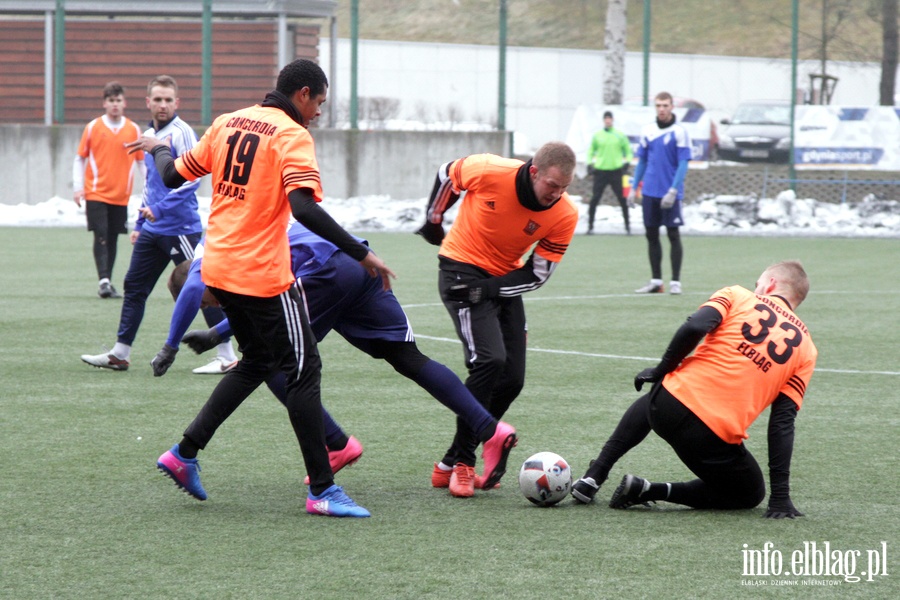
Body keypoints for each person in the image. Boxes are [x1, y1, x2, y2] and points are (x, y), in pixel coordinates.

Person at [129, 59, 395, 518]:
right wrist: (360, 252)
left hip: (219, 269)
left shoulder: (227, 122)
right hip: (262, 275)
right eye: (319, 104)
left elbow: (173, 175)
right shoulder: (292, 136)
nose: (318, 114)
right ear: (304, 94)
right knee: (304, 370)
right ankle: (323, 491)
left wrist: (157, 148)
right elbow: (304, 209)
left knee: (258, 362)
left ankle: (183, 453)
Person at [152, 221, 517, 494]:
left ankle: (337, 445)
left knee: (273, 364)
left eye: (208, 305)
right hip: (355, 262)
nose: (214, 305)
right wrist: (217, 333)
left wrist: (169, 344)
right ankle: (490, 428)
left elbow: (200, 285)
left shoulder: (208, 255)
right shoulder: (238, 230)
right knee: (406, 357)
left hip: (322, 272)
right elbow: (259, 307)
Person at [571, 261, 817, 519]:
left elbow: (695, 326)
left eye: (758, 284)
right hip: (709, 439)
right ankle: (650, 490)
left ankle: (594, 475)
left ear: (771, 284)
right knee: (750, 493)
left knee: (661, 391)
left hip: (667, 409)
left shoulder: (737, 294)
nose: (756, 289)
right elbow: (782, 423)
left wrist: (661, 369)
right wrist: (779, 497)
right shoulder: (807, 350)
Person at [416, 141, 579, 498]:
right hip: (460, 270)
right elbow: (448, 173)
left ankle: (446, 464)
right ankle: (463, 462)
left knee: (512, 379)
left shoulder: (564, 214)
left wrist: (488, 290)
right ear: (534, 171)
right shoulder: (491, 170)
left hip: (500, 283)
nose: (557, 194)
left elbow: (537, 274)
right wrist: (434, 217)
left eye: (564, 187)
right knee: (488, 361)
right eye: (552, 185)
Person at [80, 75, 237, 374]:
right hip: (153, 229)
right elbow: (151, 183)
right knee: (134, 287)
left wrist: (159, 209)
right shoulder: (148, 134)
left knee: (204, 286)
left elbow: (193, 180)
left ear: (176, 103)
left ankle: (226, 354)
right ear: (148, 102)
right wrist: (141, 220)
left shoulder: (182, 133)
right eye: (158, 99)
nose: (162, 104)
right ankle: (121, 353)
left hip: (181, 228)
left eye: (168, 100)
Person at [73, 81, 146, 299]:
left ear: (124, 103)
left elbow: (142, 162)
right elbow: (80, 158)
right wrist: (78, 188)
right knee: (101, 233)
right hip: (96, 192)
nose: (115, 105)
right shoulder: (93, 127)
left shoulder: (133, 129)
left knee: (113, 237)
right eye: (111, 101)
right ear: (104, 103)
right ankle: (103, 280)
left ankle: (108, 281)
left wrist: (152, 186)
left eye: (118, 100)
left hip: (120, 195)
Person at [628, 91, 692, 295]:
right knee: (651, 234)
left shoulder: (680, 132)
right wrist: (633, 188)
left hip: (670, 193)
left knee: (673, 234)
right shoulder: (648, 131)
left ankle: (675, 281)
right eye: (658, 105)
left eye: (665, 105)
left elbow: (683, 164)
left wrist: (673, 190)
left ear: (672, 107)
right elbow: (643, 161)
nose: (662, 109)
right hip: (650, 192)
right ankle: (656, 281)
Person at [586, 110, 633, 235]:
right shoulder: (598, 135)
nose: (608, 120)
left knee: (622, 199)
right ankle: (590, 226)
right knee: (595, 199)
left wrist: (627, 162)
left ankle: (628, 227)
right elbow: (590, 151)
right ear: (603, 120)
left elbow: (628, 151)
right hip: (600, 171)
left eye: (609, 118)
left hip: (615, 171)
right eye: (606, 118)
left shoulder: (619, 135)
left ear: (612, 120)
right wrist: (589, 163)